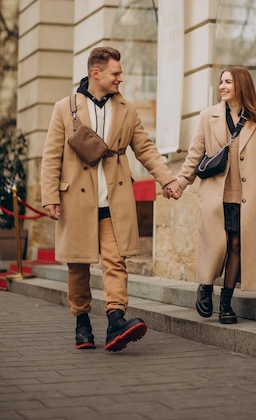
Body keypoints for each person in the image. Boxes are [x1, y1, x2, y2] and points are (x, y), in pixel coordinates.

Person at [41, 46, 182, 352]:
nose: (121, 78)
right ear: (97, 73)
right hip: (76, 200)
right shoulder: (65, 107)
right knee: (78, 265)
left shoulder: (127, 109)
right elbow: (51, 156)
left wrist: (167, 178)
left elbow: (145, 148)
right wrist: (50, 195)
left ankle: (116, 320)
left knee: (115, 261)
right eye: (116, 73)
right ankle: (82, 322)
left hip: (114, 199)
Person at [176, 66, 256, 324]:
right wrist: (180, 182)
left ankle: (226, 302)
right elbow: (194, 155)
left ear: (241, 85)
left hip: (245, 196)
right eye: (221, 81)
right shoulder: (207, 116)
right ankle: (206, 287)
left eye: (228, 81)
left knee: (235, 246)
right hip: (215, 195)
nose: (222, 86)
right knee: (217, 244)